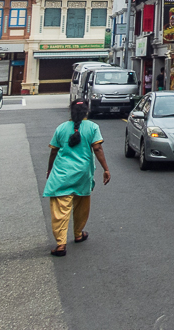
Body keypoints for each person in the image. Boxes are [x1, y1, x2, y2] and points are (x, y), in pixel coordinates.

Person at [43, 100, 111, 256]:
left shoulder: (61, 128)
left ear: (71, 112)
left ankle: (61, 244)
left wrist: (49, 169)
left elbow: (53, 152)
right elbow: (97, 148)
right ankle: (78, 234)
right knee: (81, 203)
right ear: (86, 112)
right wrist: (106, 169)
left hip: (62, 174)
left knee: (61, 207)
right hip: (83, 173)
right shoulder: (93, 127)